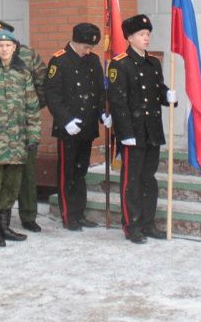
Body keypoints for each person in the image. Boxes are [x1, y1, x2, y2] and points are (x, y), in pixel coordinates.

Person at [107, 14, 176, 243]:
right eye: (141, 35)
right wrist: (124, 133)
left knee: (149, 178)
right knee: (132, 180)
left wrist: (167, 95)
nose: (146, 38)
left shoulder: (153, 62)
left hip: (152, 131)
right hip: (133, 133)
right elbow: (118, 101)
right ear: (129, 37)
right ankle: (131, 224)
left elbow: (156, 89)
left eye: (148, 34)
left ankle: (148, 222)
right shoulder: (120, 64)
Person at [0, 15, 46, 233]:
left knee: (19, 181)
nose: (4, 48)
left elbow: (36, 95)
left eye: (7, 44)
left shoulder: (25, 62)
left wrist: (30, 129)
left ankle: (19, 219)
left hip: (19, 134)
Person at [43, 23, 105, 231]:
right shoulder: (59, 60)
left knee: (81, 172)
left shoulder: (93, 60)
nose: (88, 51)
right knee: (67, 173)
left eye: (91, 48)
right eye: (85, 47)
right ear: (76, 42)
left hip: (86, 126)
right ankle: (69, 215)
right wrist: (65, 120)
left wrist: (103, 113)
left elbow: (98, 91)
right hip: (68, 127)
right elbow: (52, 94)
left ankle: (80, 213)